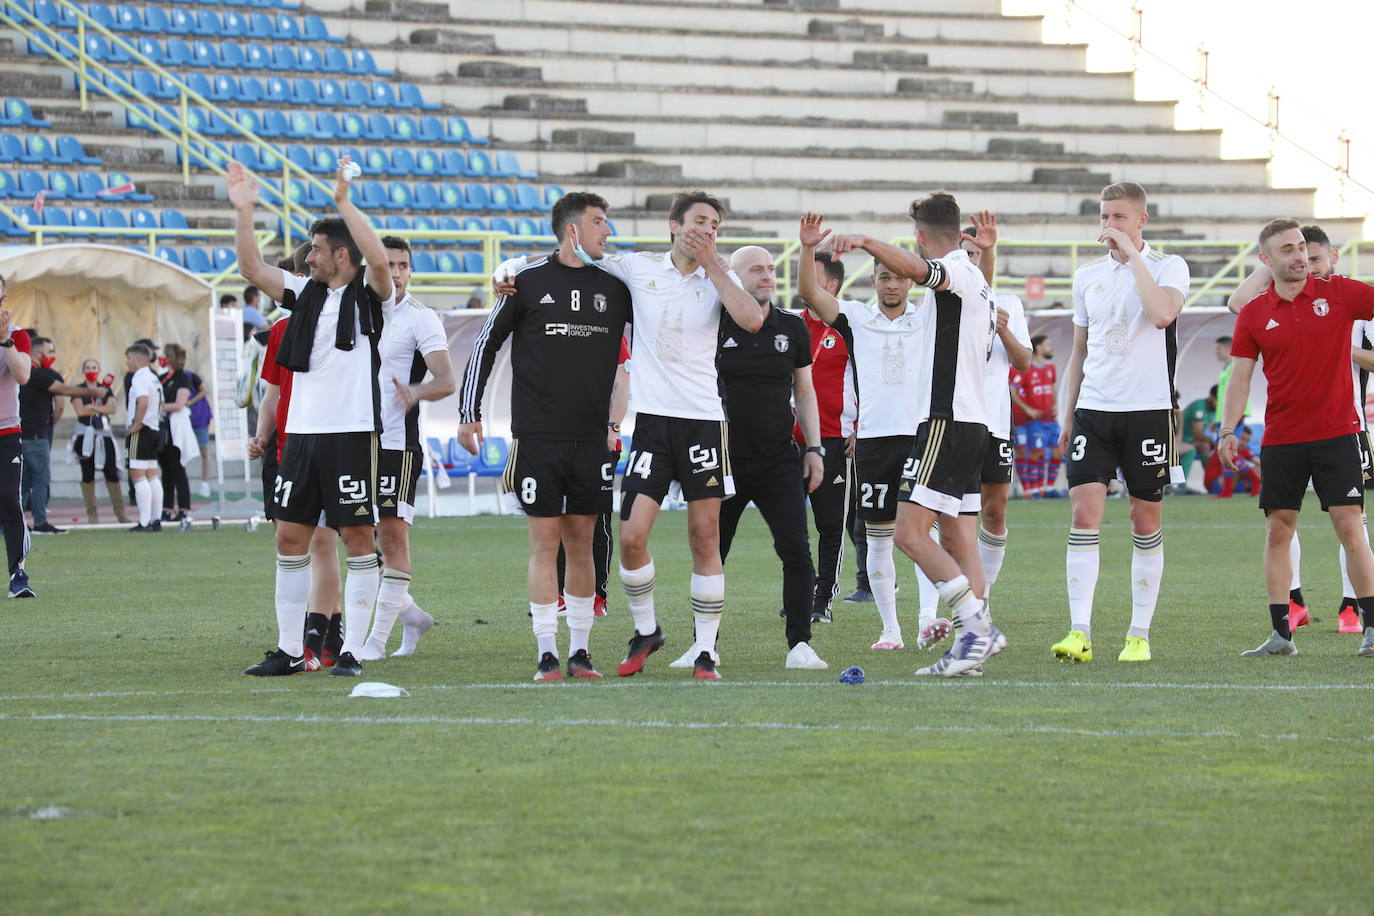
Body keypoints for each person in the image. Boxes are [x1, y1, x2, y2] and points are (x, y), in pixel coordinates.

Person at [821, 197, 1007, 678]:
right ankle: (972, 647)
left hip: (944, 422)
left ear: (922, 237)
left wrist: (864, 241)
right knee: (958, 536)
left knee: (906, 534)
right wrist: (987, 252)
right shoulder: (980, 280)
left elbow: (918, 269)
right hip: (973, 423)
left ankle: (977, 628)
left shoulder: (953, 271)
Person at [232, 156, 394, 678]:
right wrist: (245, 211)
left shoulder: (370, 297)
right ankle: (290, 649)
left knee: (358, 539)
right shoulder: (304, 295)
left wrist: (344, 201)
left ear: (340, 255)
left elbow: (380, 262)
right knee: (289, 538)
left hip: (350, 435)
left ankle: (355, 650)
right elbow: (251, 270)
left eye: (317, 250)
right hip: (300, 437)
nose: (308, 259)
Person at [463, 191, 632, 680]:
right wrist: (468, 411)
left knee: (582, 543)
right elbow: (486, 342)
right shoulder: (525, 281)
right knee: (544, 544)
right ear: (573, 230)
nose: (609, 231)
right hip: (538, 437)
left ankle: (579, 652)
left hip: (592, 440)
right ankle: (546, 653)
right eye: (601, 222)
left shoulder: (618, 285)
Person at [1219, 217, 1374, 658]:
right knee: (1277, 532)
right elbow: (1240, 380)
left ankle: (1372, 628)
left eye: (1302, 246)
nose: (1300, 255)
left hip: (1337, 435)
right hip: (1282, 439)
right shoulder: (1254, 313)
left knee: (1351, 528)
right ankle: (1281, 635)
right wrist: (1228, 429)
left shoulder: (1339, 293)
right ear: (1266, 261)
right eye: (1287, 249)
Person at [1054, 181, 1190, 664]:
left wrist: (1134, 257)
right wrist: (1067, 415)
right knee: (1084, 515)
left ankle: (1138, 634)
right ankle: (1079, 632)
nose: (1109, 226)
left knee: (1143, 517)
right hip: (1094, 410)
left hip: (1148, 411)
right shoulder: (1087, 275)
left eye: (1118, 217)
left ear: (1140, 221)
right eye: (1104, 217)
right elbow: (1080, 350)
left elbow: (1161, 315)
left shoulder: (1168, 266)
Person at [799, 214, 924, 653]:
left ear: (910, 282)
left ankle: (928, 620)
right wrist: (807, 249)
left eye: (898, 277)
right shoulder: (855, 319)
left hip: (919, 437)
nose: (891, 284)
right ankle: (891, 629)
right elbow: (810, 293)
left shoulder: (927, 320)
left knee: (925, 535)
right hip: (873, 441)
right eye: (884, 277)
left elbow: (975, 295)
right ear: (872, 280)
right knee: (878, 536)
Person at [712, 245, 826, 669]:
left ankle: (800, 644)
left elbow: (805, 391)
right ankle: (704, 643)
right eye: (756, 269)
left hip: (780, 459)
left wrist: (814, 448)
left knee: (796, 549)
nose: (767, 275)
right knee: (712, 553)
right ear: (734, 276)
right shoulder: (714, 323)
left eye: (770, 268)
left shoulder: (792, 327)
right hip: (724, 460)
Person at [356, 236, 454, 660]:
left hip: (396, 444)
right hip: (353, 441)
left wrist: (415, 392)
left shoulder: (420, 318)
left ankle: (375, 642)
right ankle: (410, 615)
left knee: (393, 539)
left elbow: (447, 381)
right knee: (356, 538)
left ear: (410, 270)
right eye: (387, 264)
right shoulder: (355, 313)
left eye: (402, 265)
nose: (395, 273)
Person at [965, 227, 1031, 606]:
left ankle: (982, 597)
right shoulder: (945, 301)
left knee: (994, 510)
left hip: (995, 423)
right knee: (949, 513)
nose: (972, 261)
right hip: (954, 420)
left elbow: (1023, 361)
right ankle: (946, 602)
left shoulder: (1009, 303)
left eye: (978, 254)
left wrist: (1003, 330)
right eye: (966, 254)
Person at [797, 251, 857, 623]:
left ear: (831, 286)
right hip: (790, 441)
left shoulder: (850, 328)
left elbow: (872, 381)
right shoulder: (790, 325)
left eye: (811, 274)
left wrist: (860, 425)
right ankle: (798, 592)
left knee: (830, 525)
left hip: (834, 438)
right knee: (790, 525)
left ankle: (822, 601)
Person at [21, 336, 104, 534]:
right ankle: (40, 522)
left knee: (24, 482)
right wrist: (92, 391)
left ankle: (10, 523)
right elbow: (63, 390)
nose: (52, 356)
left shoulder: (22, 373)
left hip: (25, 434)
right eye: (50, 352)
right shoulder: (37, 374)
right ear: (39, 353)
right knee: (40, 479)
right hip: (35, 436)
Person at [0, 291, 34, 596]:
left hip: (5, 434)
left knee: (9, 501)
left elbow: (23, 375)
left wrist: (4, 341)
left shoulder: (17, 335)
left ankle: (18, 574)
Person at [71, 357, 130, 524]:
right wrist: (96, 409)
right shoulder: (78, 390)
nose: (91, 370)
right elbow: (80, 411)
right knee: (87, 474)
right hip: (85, 436)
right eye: (88, 367)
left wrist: (93, 408)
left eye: (94, 367)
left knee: (112, 474)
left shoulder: (105, 389)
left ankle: (120, 513)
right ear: (83, 371)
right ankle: (92, 515)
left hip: (104, 435)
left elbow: (112, 408)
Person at [124, 342, 165, 532]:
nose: (128, 363)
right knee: (151, 474)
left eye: (129, 359)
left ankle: (144, 521)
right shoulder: (154, 377)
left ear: (138, 359)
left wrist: (136, 424)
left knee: (137, 474)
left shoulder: (139, 377)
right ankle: (156, 520)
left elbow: (143, 402)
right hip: (155, 427)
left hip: (143, 429)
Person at [1011, 335, 1059, 497]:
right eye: (1047, 344)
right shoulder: (1025, 368)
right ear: (1037, 347)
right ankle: (1031, 489)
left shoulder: (1050, 368)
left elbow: (1052, 389)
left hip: (1050, 419)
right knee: (1028, 452)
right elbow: (1013, 390)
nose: (1051, 347)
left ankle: (1048, 487)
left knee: (1058, 451)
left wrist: (1056, 405)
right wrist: (1027, 409)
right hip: (1028, 420)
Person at [157, 343, 196, 521]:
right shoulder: (162, 377)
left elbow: (179, 404)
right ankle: (166, 508)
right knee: (165, 469)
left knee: (177, 468)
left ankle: (184, 508)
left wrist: (157, 407)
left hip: (176, 428)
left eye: (165, 355)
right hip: (163, 427)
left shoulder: (182, 377)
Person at [184, 359, 213, 498]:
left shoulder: (191, 376)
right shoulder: (170, 378)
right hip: (184, 420)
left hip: (199, 418)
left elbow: (205, 390)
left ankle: (205, 483)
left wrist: (190, 402)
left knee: (204, 450)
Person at [1179, 385, 1217, 486]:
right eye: (1217, 400)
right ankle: (1181, 486)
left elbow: (1213, 428)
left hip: (1190, 440)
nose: (1219, 404)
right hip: (1179, 440)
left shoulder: (1215, 410)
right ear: (1211, 397)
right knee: (1197, 448)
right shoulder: (1199, 406)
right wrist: (1215, 439)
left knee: (1206, 446)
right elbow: (1197, 434)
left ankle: (1212, 483)